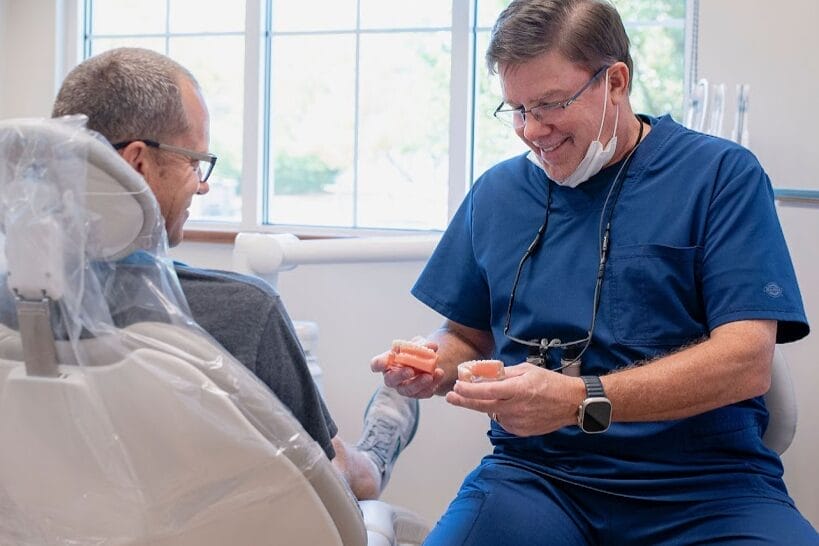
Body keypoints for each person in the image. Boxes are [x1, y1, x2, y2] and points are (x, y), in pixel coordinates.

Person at [371, 0, 816, 543]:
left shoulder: (720, 176)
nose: (532, 130)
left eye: (550, 104)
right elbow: (465, 334)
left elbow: (747, 362)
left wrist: (579, 398)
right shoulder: (499, 193)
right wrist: (433, 364)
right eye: (516, 109)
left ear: (616, 82)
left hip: (707, 487)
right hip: (537, 480)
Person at [52, 47, 417, 501]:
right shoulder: (242, 312)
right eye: (193, 161)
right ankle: (376, 457)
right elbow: (323, 488)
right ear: (137, 162)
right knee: (352, 470)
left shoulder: (19, 303)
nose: (202, 184)